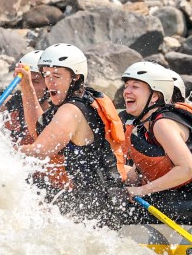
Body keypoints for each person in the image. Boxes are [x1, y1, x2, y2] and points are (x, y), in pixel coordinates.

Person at [18, 43, 126, 224]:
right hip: (100, 202)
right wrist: (27, 88)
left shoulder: (71, 110)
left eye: (57, 76)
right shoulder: (79, 101)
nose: (49, 82)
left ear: (75, 77)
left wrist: (2, 150)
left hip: (95, 210)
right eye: (46, 75)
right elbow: (39, 131)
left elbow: (41, 150)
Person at [120, 61, 192, 225]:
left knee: (121, 208)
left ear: (155, 96)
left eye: (135, 87)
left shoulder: (162, 124)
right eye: (126, 86)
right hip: (188, 194)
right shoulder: (145, 126)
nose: (126, 91)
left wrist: (141, 191)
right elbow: (139, 174)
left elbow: (187, 169)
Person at [5, 49, 46, 145]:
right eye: (26, 80)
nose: (29, 86)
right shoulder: (11, 102)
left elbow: (43, 144)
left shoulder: (58, 111)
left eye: (35, 82)